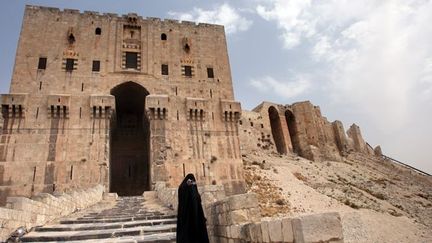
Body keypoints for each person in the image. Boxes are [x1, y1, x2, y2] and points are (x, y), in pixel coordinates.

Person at [176, 174, 209, 243]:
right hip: (194, 218)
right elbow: (196, 201)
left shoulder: (183, 187)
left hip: (185, 218)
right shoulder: (191, 188)